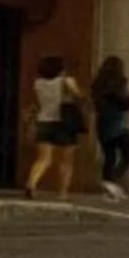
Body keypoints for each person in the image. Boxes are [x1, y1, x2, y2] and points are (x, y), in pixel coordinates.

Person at [26, 54, 85, 198]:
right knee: (66, 160)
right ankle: (63, 192)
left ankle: (31, 183)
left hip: (44, 121)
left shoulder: (38, 84)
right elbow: (79, 96)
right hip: (64, 122)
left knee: (44, 158)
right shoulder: (67, 81)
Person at [91, 56, 129, 199]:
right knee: (128, 156)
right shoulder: (121, 83)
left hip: (102, 122)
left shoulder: (97, 84)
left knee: (109, 156)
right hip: (119, 122)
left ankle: (108, 185)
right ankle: (113, 181)